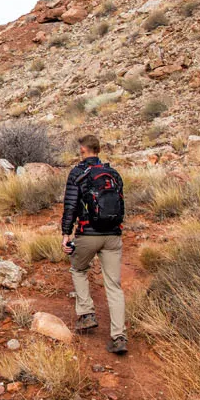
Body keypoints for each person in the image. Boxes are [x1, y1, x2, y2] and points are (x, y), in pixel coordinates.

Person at [60, 134, 127, 355]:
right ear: (98, 149)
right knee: (114, 286)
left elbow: (70, 206)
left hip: (88, 234)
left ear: (82, 150)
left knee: (78, 269)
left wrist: (65, 234)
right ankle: (119, 337)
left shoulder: (78, 173)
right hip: (113, 236)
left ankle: (87, 314)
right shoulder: (113, 174)